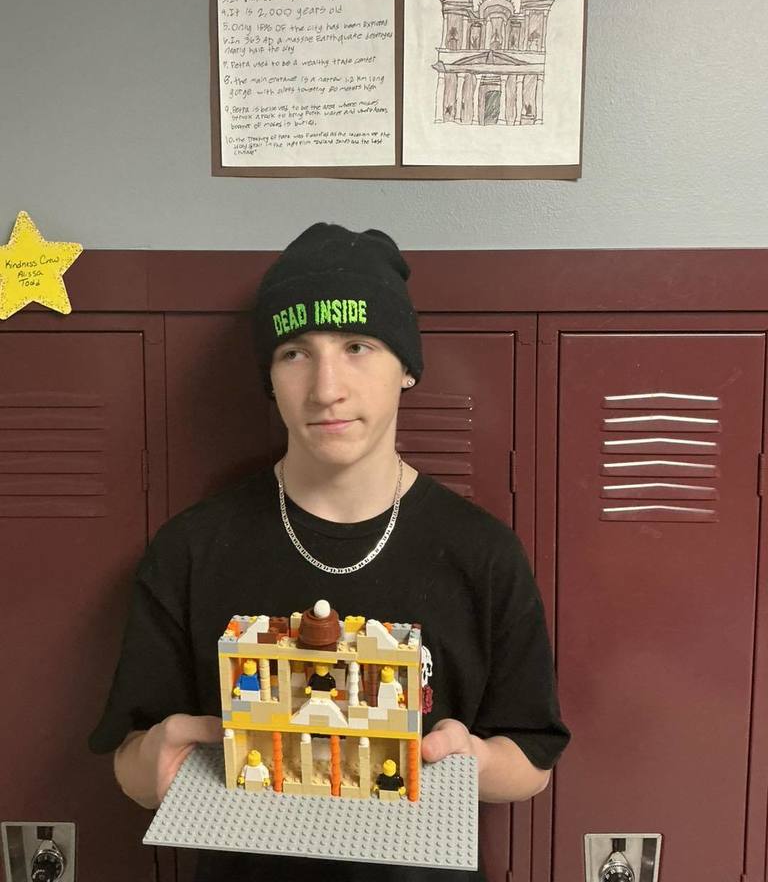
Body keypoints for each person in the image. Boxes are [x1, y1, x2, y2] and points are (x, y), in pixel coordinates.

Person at [89, 222, 571, 881]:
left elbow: (534, 765)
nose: (325, 388)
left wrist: (473, 762)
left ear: (406, 367)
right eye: (295, 353)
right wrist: (155, 761)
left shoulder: (483, 556)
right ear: (270, 376)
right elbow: (132, 767)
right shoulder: (193, 549)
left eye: (357, 346)